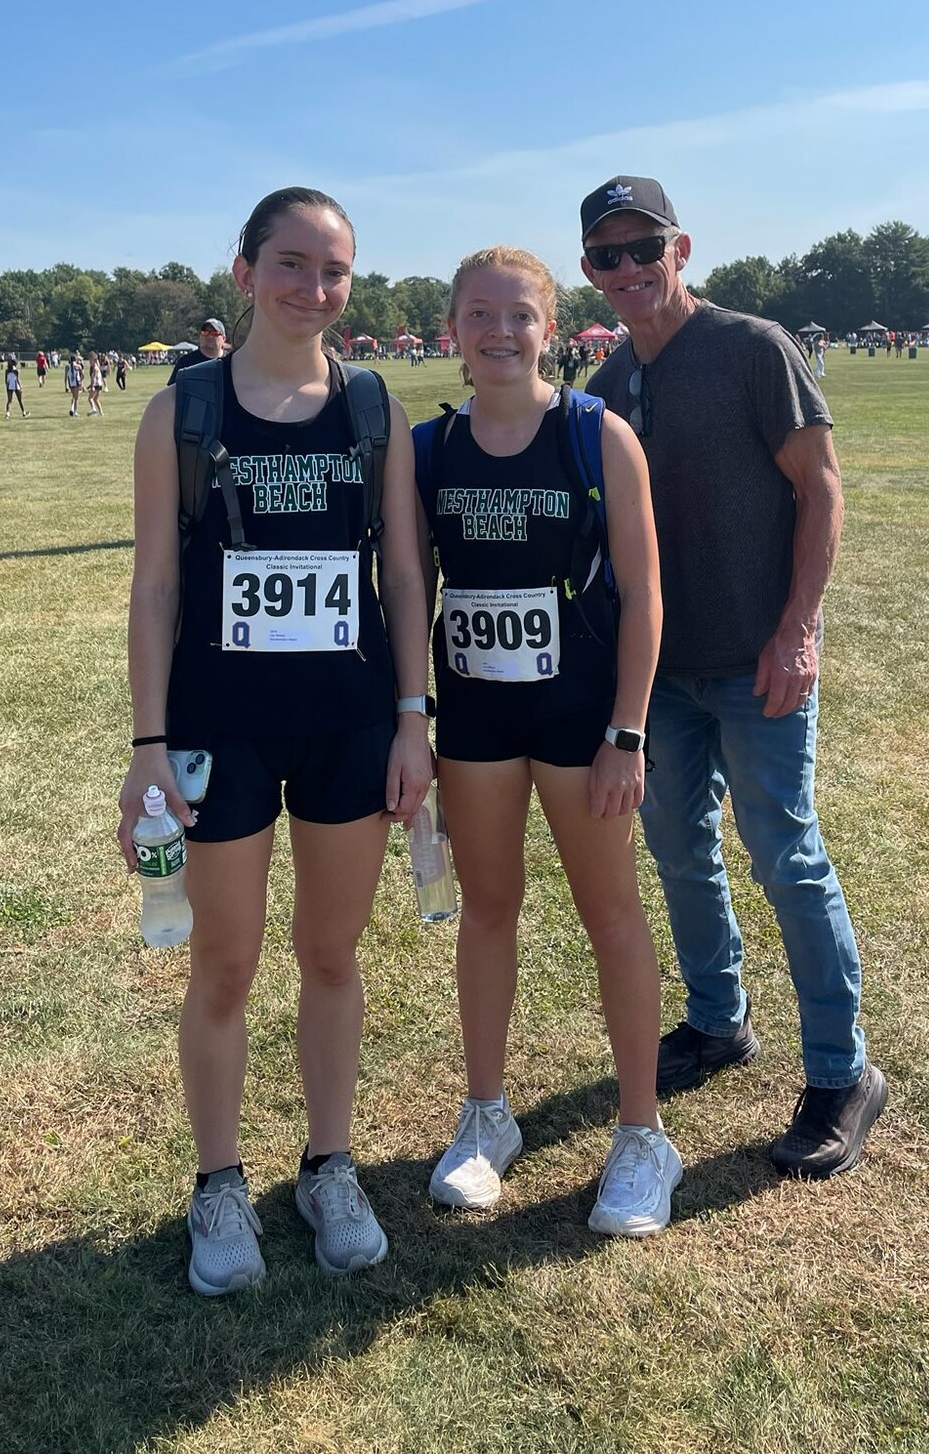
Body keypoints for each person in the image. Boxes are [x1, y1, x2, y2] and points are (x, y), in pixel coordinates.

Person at [118, 186, 433, 1296]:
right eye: (291, 263)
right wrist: (147, 741)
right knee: (225, 959)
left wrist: (412, 717)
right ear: (244, 268)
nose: (314, 288)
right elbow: (155, 581)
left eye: (334, 270)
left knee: (334, 953)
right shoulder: (185, 408)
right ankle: (218, 1182)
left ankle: (329, 1163)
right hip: (217, 725)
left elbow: (402, 571)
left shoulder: (372, 406)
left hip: (349, 722)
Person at [579, 176, 884, 1180]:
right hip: (661, 671)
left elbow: (822, 487)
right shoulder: (611, 381)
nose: (627, 269)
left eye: (642, 247)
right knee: (677, 848)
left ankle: (842, 1072)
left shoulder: (755, 348)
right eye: (605, 255)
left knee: (786, 855)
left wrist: (798, 630)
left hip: (759, 658)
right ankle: (719, 1019)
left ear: (682, 248)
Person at [415, 247, 679, 1237]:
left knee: (611, 914)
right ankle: (487, 1115)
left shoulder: (597, 436)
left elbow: (647, 593)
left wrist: (627, 730)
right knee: (489, 907)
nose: (498, 331)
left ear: (551, 327)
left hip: (582, 719)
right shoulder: (427, 447)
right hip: (478, 717)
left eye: (518, 314)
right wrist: (417, 720)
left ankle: (644, 1132)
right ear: (452, 331)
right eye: (478, 314)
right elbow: (412, 590)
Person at [168, 317, 229, 386]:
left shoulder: (230, 362)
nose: (209, 336)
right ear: (200, 336)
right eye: (205, 332)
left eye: (214, 333)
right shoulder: (186, 362)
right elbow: (172, 390)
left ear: (223, 339)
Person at [88, 352, 105, 416]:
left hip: (95, 385)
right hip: (100, 385)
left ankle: (93, 409)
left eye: (90, 360)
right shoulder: (97, 366)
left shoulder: (95, 368)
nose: (89, 362)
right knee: (96, 399)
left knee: (90, 399)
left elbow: (94, 378)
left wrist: (92, 386)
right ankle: (101, 412)